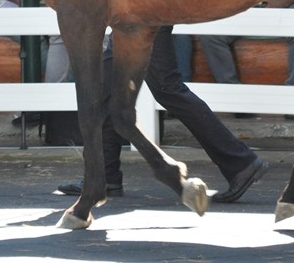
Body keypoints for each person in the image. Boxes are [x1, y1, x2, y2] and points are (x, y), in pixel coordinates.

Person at [55, 27, 268, 203]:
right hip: (134, 14)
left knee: (167, 88)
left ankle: (241, 162)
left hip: (141, 13)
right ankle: (103, 175)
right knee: (110, 86)